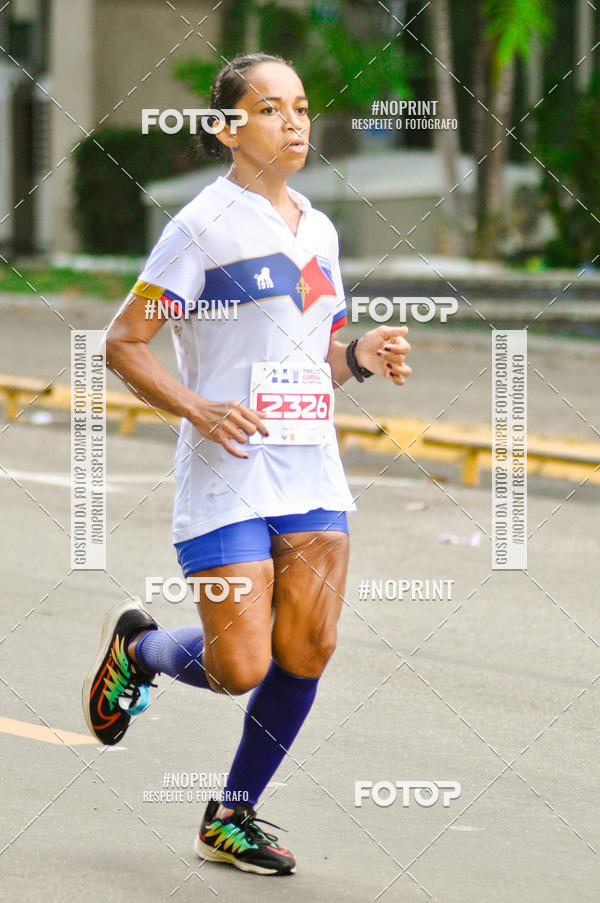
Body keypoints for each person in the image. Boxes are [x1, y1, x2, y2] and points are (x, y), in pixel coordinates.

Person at [82, 52, 411, 876]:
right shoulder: (200, 226)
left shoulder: (319, 229)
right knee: (241, 665)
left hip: (309, 468)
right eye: (269, 109)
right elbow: (124, 343)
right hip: (227, 468)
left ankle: (231, 815)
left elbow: (314, 357)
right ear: (227, 129)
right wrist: (198, 407)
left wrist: (359, 356)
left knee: (310, 647)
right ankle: (140, 651)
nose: (293, 122)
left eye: (300, 107)